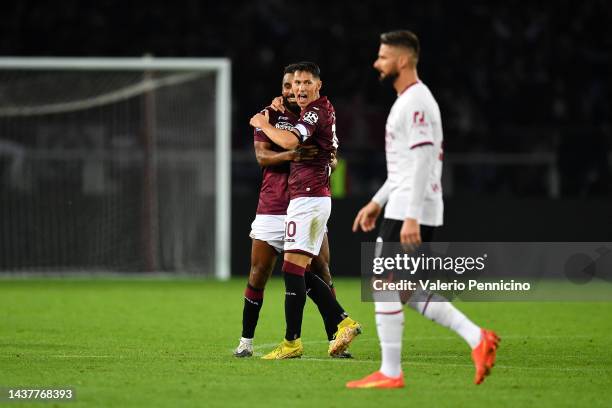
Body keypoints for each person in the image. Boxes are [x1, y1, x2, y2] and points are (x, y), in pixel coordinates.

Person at [347, 30, 499, 388]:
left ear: (402, 60)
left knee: (384, 285)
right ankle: (478, 338)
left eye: (383, 56)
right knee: (402, 289)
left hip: (410, 208)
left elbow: (422, 159)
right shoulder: (409, 100)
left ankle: (390, 372)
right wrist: (376, 201)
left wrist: (411, 213)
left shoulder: (415, 101)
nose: (377, 62)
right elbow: (404, 167)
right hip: (405, 203)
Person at [249, 62, 361, 360]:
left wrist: (262, 124)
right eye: (295, 83)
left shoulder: (314, 111)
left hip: (310, 199)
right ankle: (326, 330)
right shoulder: (320, 110)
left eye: (306, 82)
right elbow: (329, 153)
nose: (300, 88)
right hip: (307, 199)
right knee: (295, 270)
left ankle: (315, 334)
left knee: (299, 270)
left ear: (318, 86)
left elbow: (289, 140)